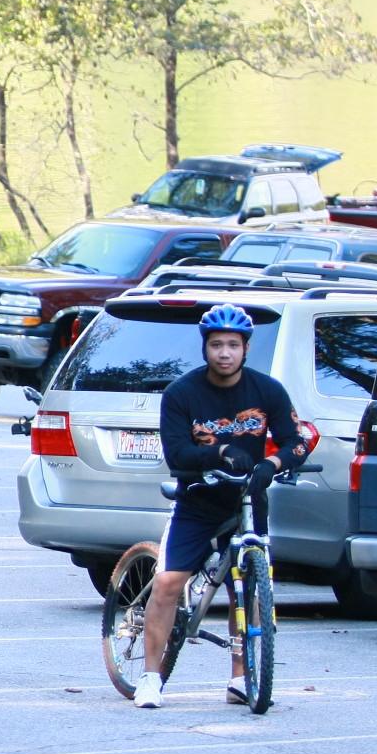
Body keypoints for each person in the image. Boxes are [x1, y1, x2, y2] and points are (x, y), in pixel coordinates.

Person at [134, 303, 308, 709]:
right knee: (168, 584)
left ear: (246, 349)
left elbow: (295, 441)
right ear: (205, 348)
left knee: (247, 590)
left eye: (233, 344)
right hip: (198, 502)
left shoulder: (268, 391)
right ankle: (150, 676)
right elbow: (177, 453)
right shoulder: (182, 393)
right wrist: (221, 451)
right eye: (216, 345)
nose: (224, 353)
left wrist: (272, 463)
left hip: (249, 501)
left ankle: (240, 676)